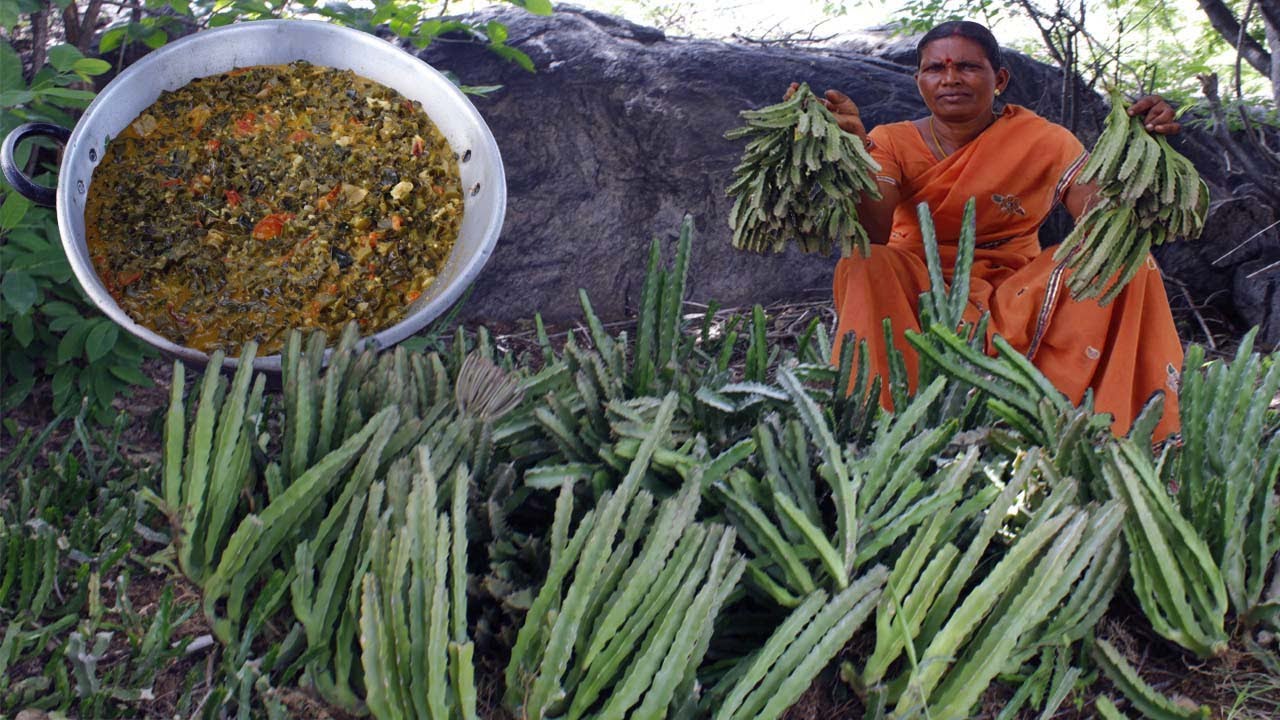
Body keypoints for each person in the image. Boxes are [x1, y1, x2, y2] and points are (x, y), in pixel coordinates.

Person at [792, 20, 1185, 440]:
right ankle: (879, 425)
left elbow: (1104, 225)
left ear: (999, 79)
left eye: (967, 67)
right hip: (919, 284)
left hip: (1015, 289)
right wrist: (852, 154)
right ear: (919, 80)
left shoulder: (1044, 140)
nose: (950, 79)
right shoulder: (890, 141)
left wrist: (1136, 150)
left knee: (1125, 257)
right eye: (934, 69)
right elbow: (873, 232)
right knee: (865, 260)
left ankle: (1106, 424)